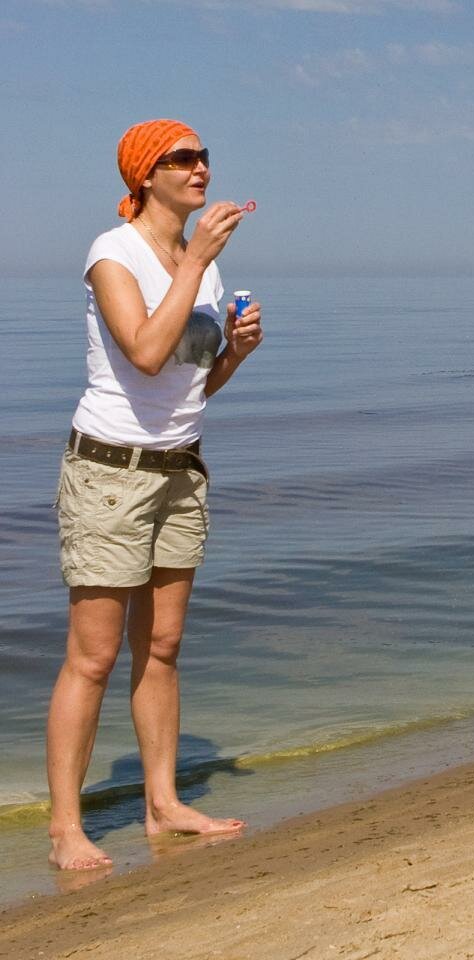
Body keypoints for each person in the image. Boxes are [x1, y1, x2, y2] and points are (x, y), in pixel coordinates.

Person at [47, 119, 263, 870]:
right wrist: (196, 258)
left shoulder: (197, 267)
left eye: (204, 154)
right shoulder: (114, 255)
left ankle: (162, 805)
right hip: (109, 475)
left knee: (163, 647)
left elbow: (191, 386)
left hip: (179, 469)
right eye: (183, 158)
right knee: (94, 656)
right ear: (145, 176)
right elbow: (141, 352)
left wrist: (233, 350)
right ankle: (66, 828)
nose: (201, 167)